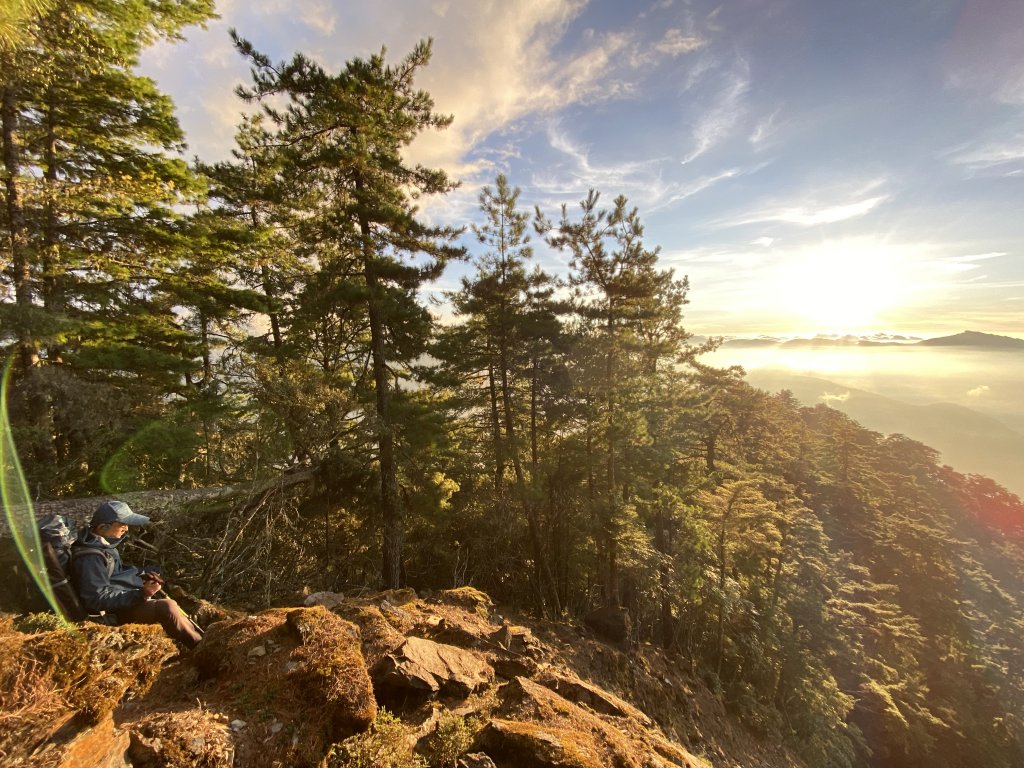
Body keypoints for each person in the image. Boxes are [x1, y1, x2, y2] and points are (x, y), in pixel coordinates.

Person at [71, 500, 202, 649]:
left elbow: (115, 575)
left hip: (118, 606)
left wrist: (143, 573)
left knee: (170, 603)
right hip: (109, 615)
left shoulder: (102, 545)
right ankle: (200, 648)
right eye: (122, 524)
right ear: (102, 527)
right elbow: (95, 600)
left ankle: (196, 640)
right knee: (167, 607)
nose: (126, 528)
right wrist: (141, 594)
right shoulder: (90, 558)